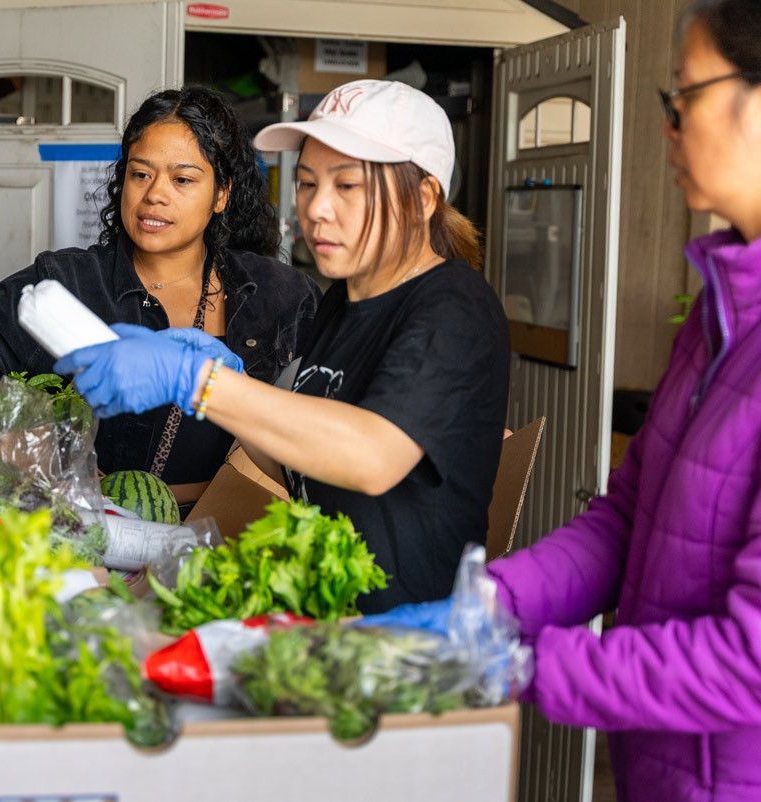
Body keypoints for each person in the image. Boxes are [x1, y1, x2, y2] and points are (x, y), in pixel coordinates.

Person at [363, 2, 761, 799]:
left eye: (684, 96)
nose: (668, 126)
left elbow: (747, 664)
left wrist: (522, 662)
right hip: (666, 766)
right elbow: (627, 519)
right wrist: (494, 603)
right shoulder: (722, 312)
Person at [57, 79, 511, 612]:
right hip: (322, 631)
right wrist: (234, 391)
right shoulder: (341, 305)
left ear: (423, 200)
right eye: (308, 182)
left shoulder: (453, 305)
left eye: (346, 186)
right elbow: (295, 461)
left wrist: (200, 381)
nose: (317, 208)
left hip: (405, 648)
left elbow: (373, 456)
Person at [0, 86, 321, 503]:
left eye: (183, 180)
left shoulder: (282, 295)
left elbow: (319, 428)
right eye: (141, 173)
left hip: (239, 524)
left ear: (221, 193)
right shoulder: (70, 283)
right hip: (97, 530)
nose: (155, 193)